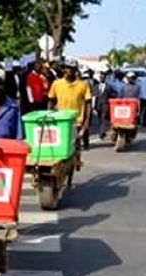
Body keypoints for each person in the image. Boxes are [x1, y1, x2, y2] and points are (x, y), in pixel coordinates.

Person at [47, 57, 92, 186]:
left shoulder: (83, 85)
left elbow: (88, 103)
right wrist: (49, 115)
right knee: (57, 151)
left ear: (75, 70)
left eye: (72, 69)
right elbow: (50, 100)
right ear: (63, 69)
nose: (69, 71)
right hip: (59, 123)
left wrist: (87, 121)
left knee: (72, 152)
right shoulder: (56, 84)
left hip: (76, 123)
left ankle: (69, 180)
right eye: (67, 68)